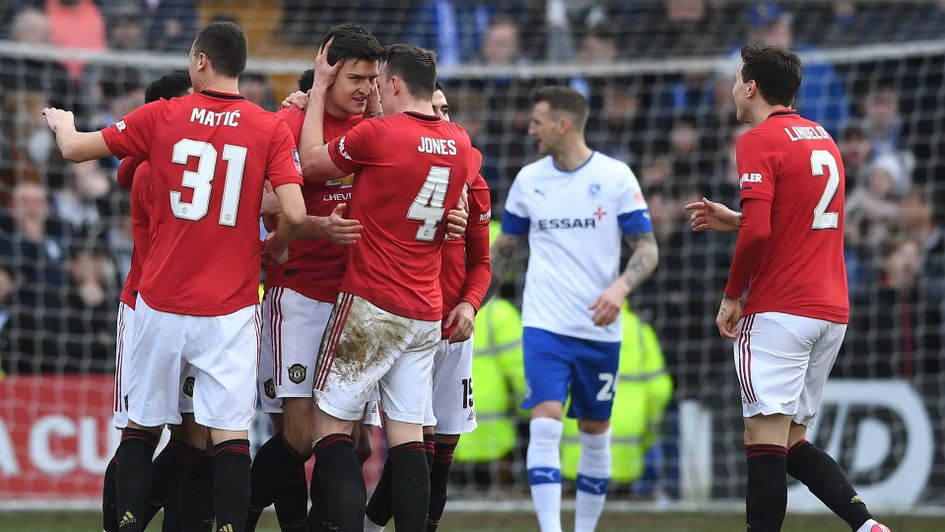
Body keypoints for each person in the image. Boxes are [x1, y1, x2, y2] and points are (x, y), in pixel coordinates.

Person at [42, 21, 307, 532]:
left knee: (141, 427)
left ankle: (123, 525)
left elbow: (75, 150)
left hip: (159, 301)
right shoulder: (268, 126)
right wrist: (270, 249)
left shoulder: (164, 115)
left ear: (201, 60)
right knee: (229, 437)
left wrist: (61, 121)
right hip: (230, 308)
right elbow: (293, 213)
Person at [684, 42, 889, 532]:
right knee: (790, 442)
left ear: (751, 87)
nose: (733, 87)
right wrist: (737, 218)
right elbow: (797, 220)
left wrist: (733, 295)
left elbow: (762, 234)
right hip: (831, 311)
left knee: (762, 440)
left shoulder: (758, 139)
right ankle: (868, 526)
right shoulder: (823, 137)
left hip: (780, 311)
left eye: (737, 79)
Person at [299, 42, 479, 531]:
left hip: (371, 303)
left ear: (392, 84)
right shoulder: (461, 142)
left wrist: (317, 90)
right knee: (407, 439)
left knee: (330, 428)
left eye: (378, 83)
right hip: (425, 311)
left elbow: (312, 163)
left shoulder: (379, 135)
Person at [489, 86, 659, 532]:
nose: (530, 130)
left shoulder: (616, 177)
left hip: (599, 329)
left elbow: (646, 249)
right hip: (544, 325)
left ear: (563, 125)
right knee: (544, 424)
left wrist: (619, 290)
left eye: (537, 122)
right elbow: (505, 250)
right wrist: (472, 304)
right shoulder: (529, 180)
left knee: (594, 434)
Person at [248, 23, 383, 532]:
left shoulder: (378, 124)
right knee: (302, 436)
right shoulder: (288, 120)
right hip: (300, 294)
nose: (366, 90)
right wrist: (307, 220)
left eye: (372, 79)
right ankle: (234, 514)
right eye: (355, 78)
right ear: (328, 71)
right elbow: (254, 200)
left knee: (357, 443)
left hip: (358, 301)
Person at [364, 80, 492, 532]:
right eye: (434, 108)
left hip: (453, 331)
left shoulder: (473, 181)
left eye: (446, 108)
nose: (442, 116)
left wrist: (471, 306)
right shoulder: (394, 168)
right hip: (404, 323)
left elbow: (482, 263)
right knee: (407, 448)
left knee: (439, 458)